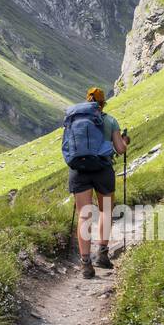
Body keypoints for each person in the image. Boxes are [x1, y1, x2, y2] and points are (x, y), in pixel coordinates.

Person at [61, 87, 130, 279]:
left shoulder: (74, 119)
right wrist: (125, 141)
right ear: (103, 103)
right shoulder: (109, 120)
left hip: (78, 170)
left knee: (84, 215)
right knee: (105, 211)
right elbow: (119, 149)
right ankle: (102, 254)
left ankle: (85, 264)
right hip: (102, 169)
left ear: (88, 101)